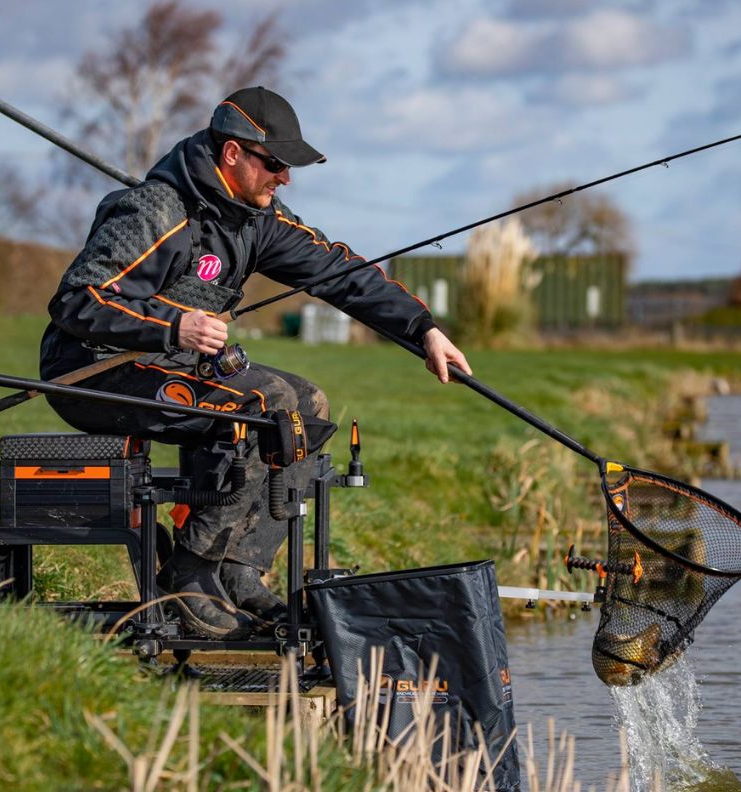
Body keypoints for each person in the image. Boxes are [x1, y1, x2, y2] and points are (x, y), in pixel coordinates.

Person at [40, 86, 471, 639]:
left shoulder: (255, 217)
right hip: (91, 370)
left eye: (289, 167)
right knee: (266, 403)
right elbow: (78, 299)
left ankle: (241, 569)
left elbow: (339, 272)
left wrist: (423, 329)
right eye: (276, 164)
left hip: (173, 365)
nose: (285, 178)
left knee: (308, 404)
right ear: (232, 154)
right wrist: (172, 325)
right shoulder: (155, 210)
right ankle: (189, 574)